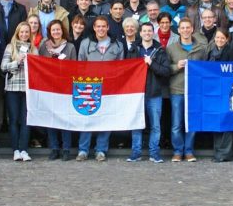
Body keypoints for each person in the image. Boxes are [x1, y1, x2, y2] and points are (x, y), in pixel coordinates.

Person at [75, 17, 124, 161]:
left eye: (104, 26)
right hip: (89, 87)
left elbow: (121, 68)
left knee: (105, 119)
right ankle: (83, 150)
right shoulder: (85, 44)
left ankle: (101, 150)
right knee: (87, 118)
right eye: (98, 26)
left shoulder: (117, 45)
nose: (101, 29)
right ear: (94, 28)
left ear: (108, 27)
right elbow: (80, 65)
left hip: (109, 88)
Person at [126, 21, 170, 163]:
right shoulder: (133, 50)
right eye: (144, 31)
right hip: (137, 93)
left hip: (154, 93)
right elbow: (127, 70)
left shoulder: (160, 50)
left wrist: (151, 64)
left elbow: (165, 71)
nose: (147, 33)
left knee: (155, 125)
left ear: (153, 33)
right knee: (136, 124)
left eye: (149, 31)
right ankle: (136, 152)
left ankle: (154, 153)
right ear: (140, 33)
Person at [166, 18, 208, 162]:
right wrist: (176, 66)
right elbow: (166, 69)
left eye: (187, 28)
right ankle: (178, 151)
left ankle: (189, 151)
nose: (185, 30)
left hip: (194, 91)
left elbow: (206, 69)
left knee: (191, 123)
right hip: (177, 90)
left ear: (192, 29)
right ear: (178, 30)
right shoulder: (171, 48)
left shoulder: (201, 48)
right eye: (182, 28)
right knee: (176, 124)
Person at [38, 20, 76, 160]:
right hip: (49, 88)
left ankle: (66, 148)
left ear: (62, 30)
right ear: (50, 32)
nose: (56, 32)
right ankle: (54, 148)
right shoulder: (44, 47)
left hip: (65, 88)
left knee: (65, 119)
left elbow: (74, 67)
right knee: (51, 119)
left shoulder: (70, 47)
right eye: (53, 30)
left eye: (58, 29)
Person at [1, 22, 34, 162]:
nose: (24, 34)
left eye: (27, 32)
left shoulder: (33, 48)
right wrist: (17, 62)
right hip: (13, 88)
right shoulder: (11, 47)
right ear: (17, 33)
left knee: (26, 120)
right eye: (22, 32)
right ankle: (15, 149)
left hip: (27, 89)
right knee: (13, 120)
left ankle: (24, 149)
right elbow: (3, 67)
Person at [206, 28, 233, 162]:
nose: (219, 40)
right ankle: (217, 151)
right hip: (214, 92)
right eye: (217, 38)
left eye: (222, 38)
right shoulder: (211, 52)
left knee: (227, 122)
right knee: (217, 122)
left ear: (227, 39)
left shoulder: (230, 52)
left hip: (227, 92)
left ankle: (225, 153)